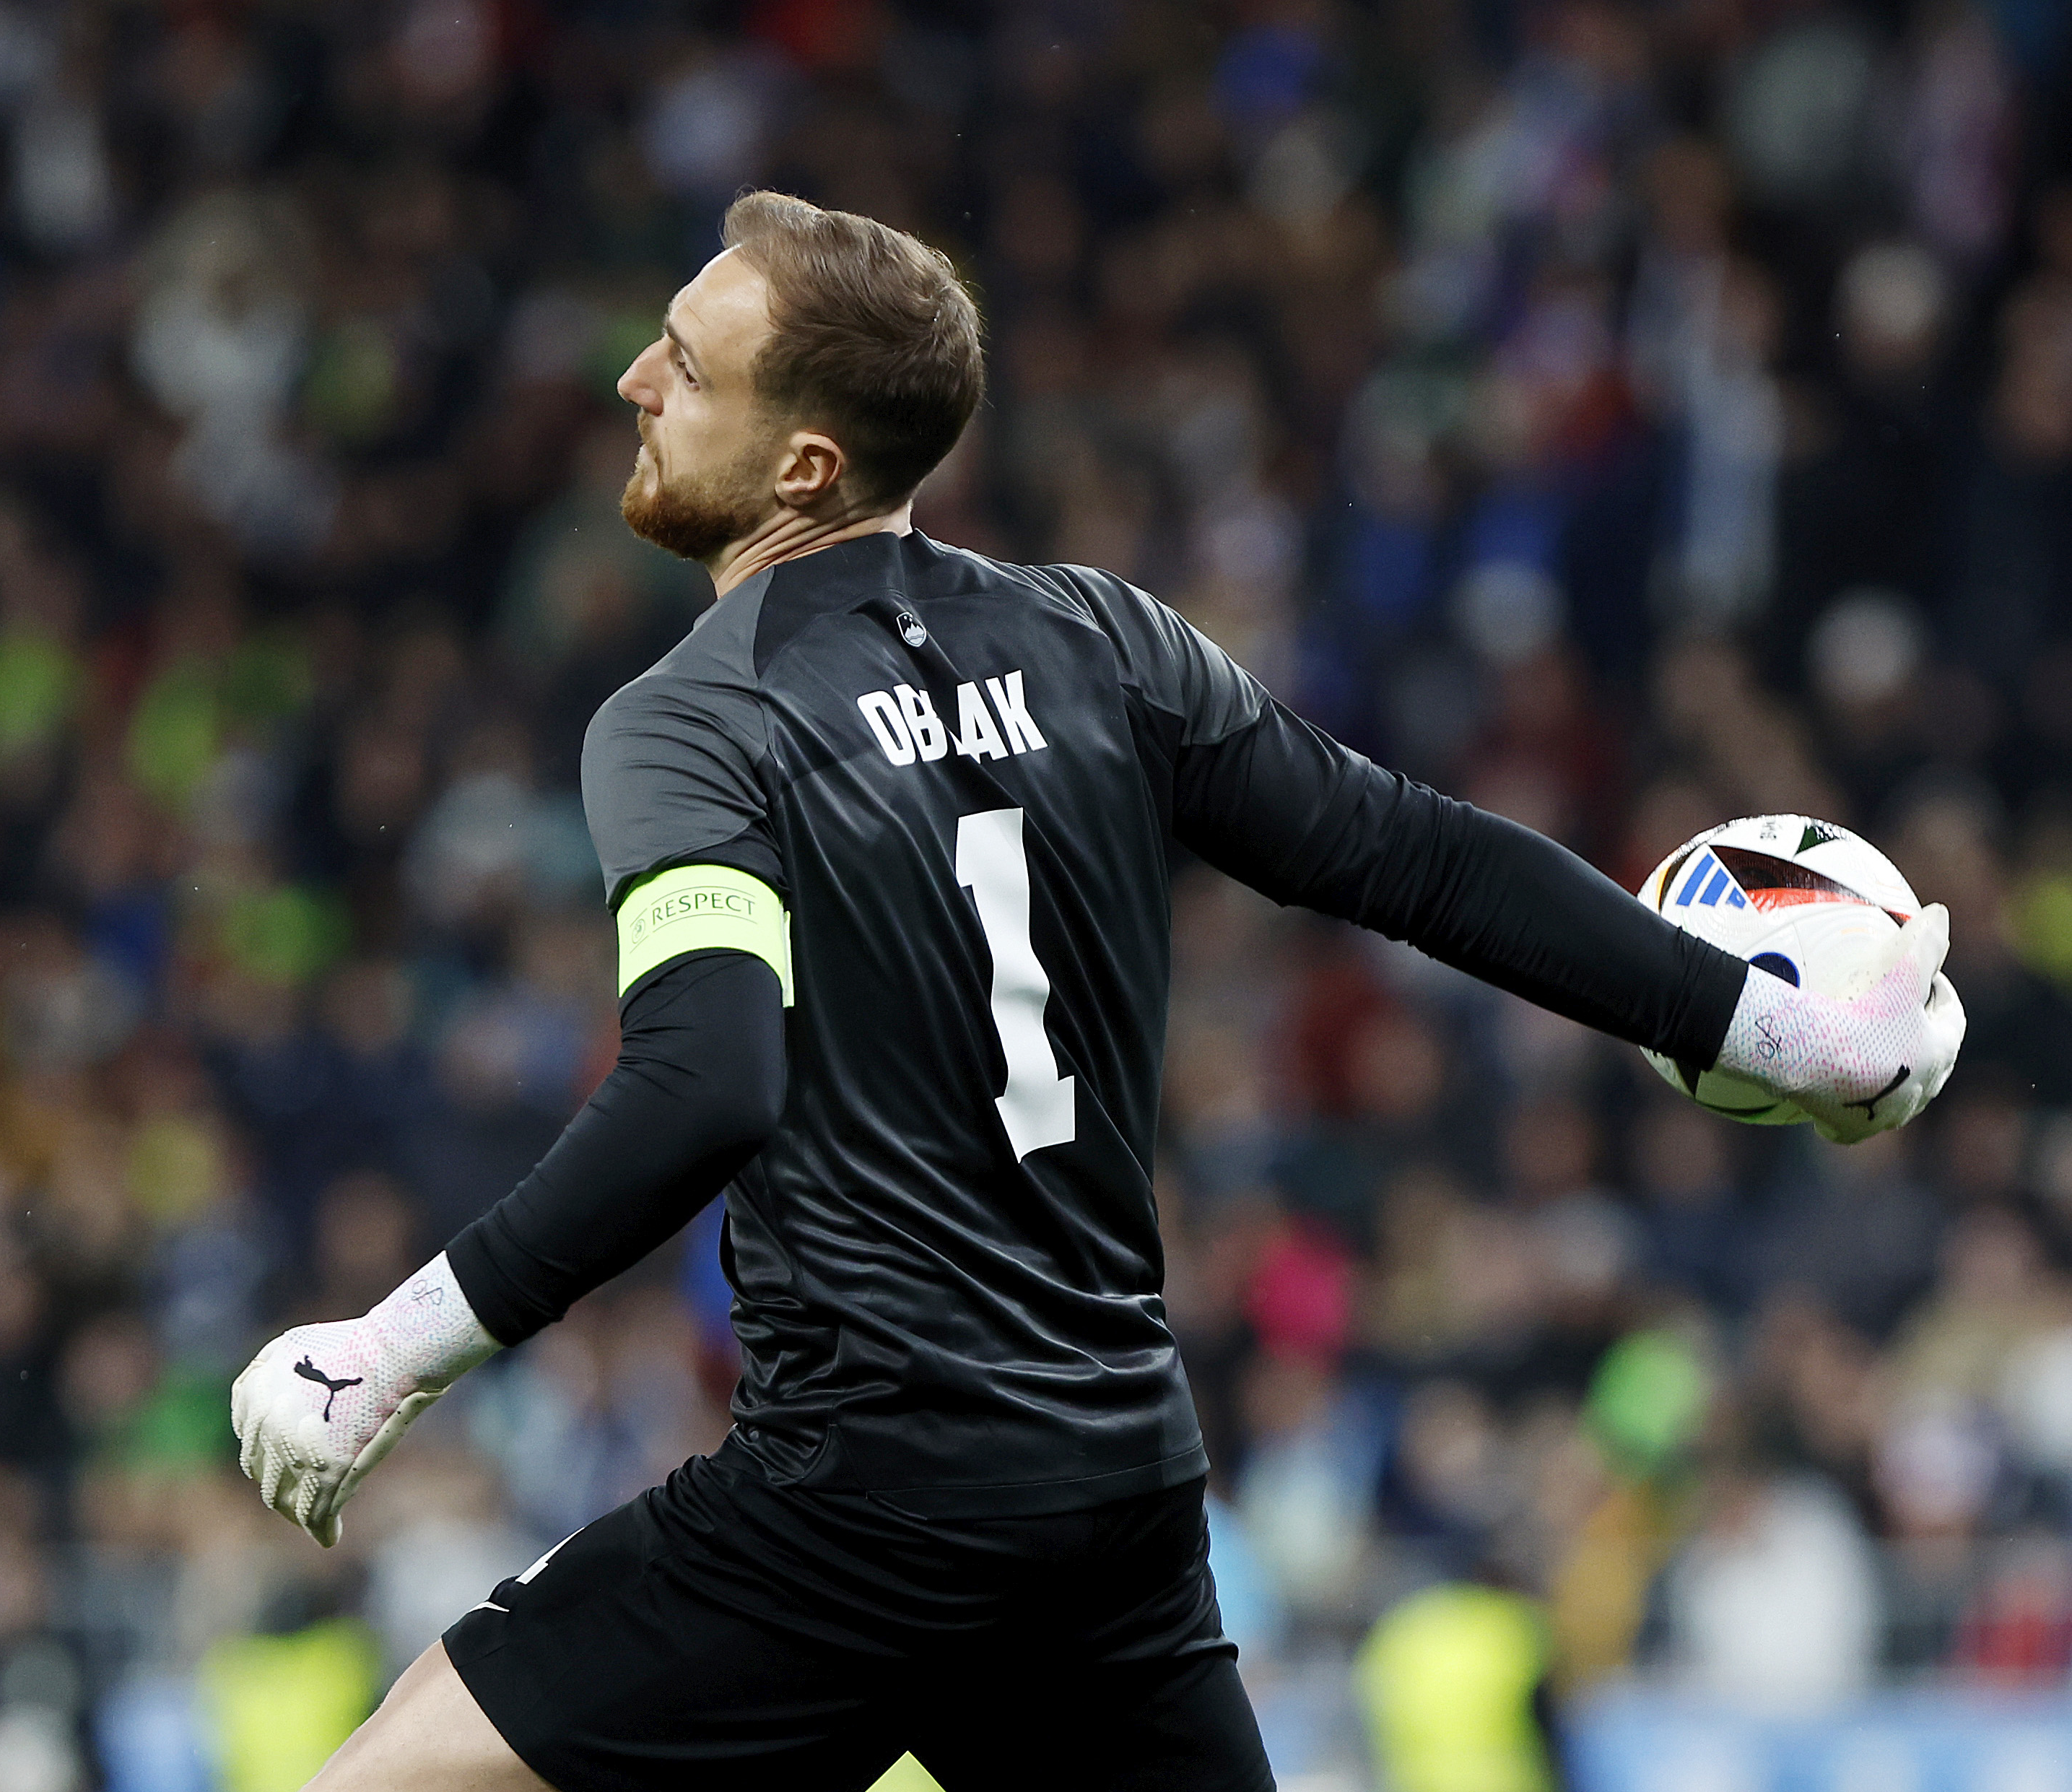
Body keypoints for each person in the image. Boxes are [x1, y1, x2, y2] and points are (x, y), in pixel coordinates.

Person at [230, 192, 1965, 1792]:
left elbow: (703, 1083)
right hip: (1104, 1493)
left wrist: (390, 1351)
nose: (631, 380)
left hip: (858, 1500)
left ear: (802, 464)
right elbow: (1421, 856)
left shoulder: (695, 723)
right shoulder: (1097, 641)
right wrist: (1775, 1026)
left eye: (681, 364)